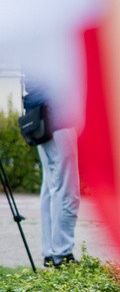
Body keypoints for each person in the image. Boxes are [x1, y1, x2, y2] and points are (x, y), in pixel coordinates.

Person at [22, 81, 80, 268]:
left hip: (42, 119)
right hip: (58, 117)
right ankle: (62, 254)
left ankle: (50, 253)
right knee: (66, 189)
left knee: (51, 187)